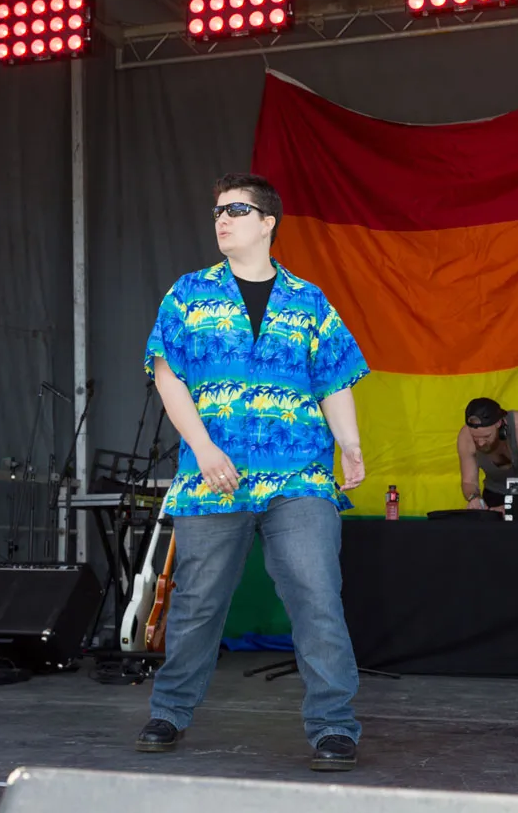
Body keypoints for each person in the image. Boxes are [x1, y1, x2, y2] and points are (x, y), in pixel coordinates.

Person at [136, 173, 370, 772]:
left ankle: (334, 727)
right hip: (213, 475)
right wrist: (203, 448)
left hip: (299, 477)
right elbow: (167, 375)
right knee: (198, 603)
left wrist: (350, 445)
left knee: (317, 596)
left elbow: (334, 379)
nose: (222, 218)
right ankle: (169, 712)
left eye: (236, 210)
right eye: (218, 210)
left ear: (268, 222)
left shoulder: (308, 300)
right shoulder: (189, 293)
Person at [457, 397, 518, 509]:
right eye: (475, 437)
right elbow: (469, 482)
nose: (480, 443)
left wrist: (511, 508)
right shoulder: (465, 437)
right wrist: (474, 498)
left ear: (499, 423)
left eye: (486, 436)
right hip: (495, 493)